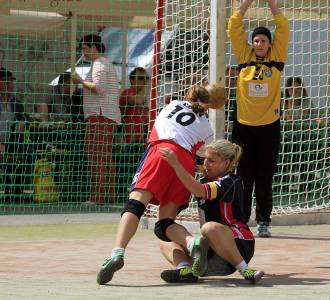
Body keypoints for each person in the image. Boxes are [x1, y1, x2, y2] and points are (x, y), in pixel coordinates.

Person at [96, 85, 216, 285]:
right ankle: (191, 242)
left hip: (162, 151)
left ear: (188, 95)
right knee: (164, 225)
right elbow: (200, 159)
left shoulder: (172, 105)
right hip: (185, 163)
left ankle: (117, 253)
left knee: (135, 205)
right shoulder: (208, 128)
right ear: (209, 105)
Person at [158, 139, 264, 284]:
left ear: (226, 163)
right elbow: (193, 189)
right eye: (205, 159)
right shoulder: (202, 181)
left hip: (238, 245)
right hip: (213, 257)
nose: (206, 164)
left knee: (209, 228)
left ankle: (245, 270)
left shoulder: (231, 181)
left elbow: (199, 191)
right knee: (165, 239)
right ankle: (186, 269)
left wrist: (176, 164)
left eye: (211, 161)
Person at [227, 0, 290, 237]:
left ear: (270, 44)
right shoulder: (244, 57)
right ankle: (241, 221)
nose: (259, 43)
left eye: (263, 40)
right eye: (256, 40)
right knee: (244, 176)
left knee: (264, 177)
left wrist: (272, 5)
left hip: (269, 127)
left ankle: (264, 221)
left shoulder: (277, 57)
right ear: (251, 44)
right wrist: (246, 4)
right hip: (244, 126)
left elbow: (283, 27)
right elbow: (234, 26)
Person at [72, 34, 121, 204]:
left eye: (84, 48)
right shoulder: (103, 63)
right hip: (107, 114)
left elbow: (99, 88)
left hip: (100, 115)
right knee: (105, 156)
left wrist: (79, 80)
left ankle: (98, 196)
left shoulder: (99, 64)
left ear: (93, 47)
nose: (83, 52)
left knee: (96, 155)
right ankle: (107, 195)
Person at [0, 67, 35, 202]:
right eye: (5, 81)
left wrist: (22, 121)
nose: (9, 85)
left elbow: (25, 116)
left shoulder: (14, 102)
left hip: (10, 142)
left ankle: (24, 190)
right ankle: (7, 190)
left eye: (11, 82)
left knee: (29, 152)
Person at [118, 67, 150, 194]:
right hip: (129, 139)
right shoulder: (127, 93)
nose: (144, 81)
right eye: (141, 78)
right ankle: (127, 192)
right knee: (130, 169)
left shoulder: (145, 96)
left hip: (142, 139)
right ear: (132, 80)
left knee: (141, 168)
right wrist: (148, 86)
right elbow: (138, 100)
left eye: (146, 78)